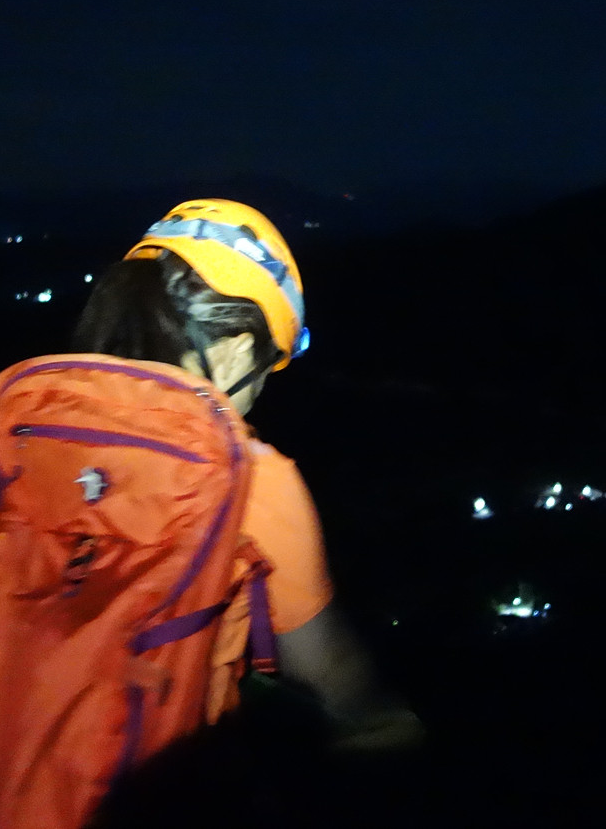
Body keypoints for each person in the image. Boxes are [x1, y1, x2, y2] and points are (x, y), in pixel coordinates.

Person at [67, 198, 424, 754]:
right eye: (265, 368)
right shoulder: (247, 479)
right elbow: (331, 676)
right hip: (139, 786)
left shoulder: (12, 431)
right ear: (237, 352)